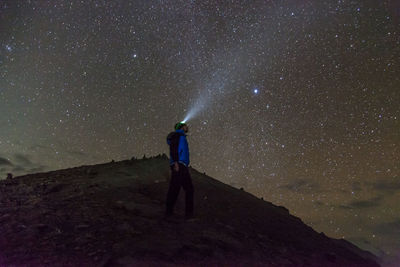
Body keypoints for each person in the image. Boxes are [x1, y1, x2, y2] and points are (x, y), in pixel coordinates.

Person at [165, 122, 194, 219]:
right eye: (186, 126)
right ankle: (187, 215)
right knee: (185, 189)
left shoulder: (181, 136)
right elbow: (173, 148)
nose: (187, 127)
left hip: (182, 165)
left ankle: (169, 212)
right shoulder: (177, 135)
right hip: (179, 165)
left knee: (176, 188)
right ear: (181, 127)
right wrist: (176, 163)